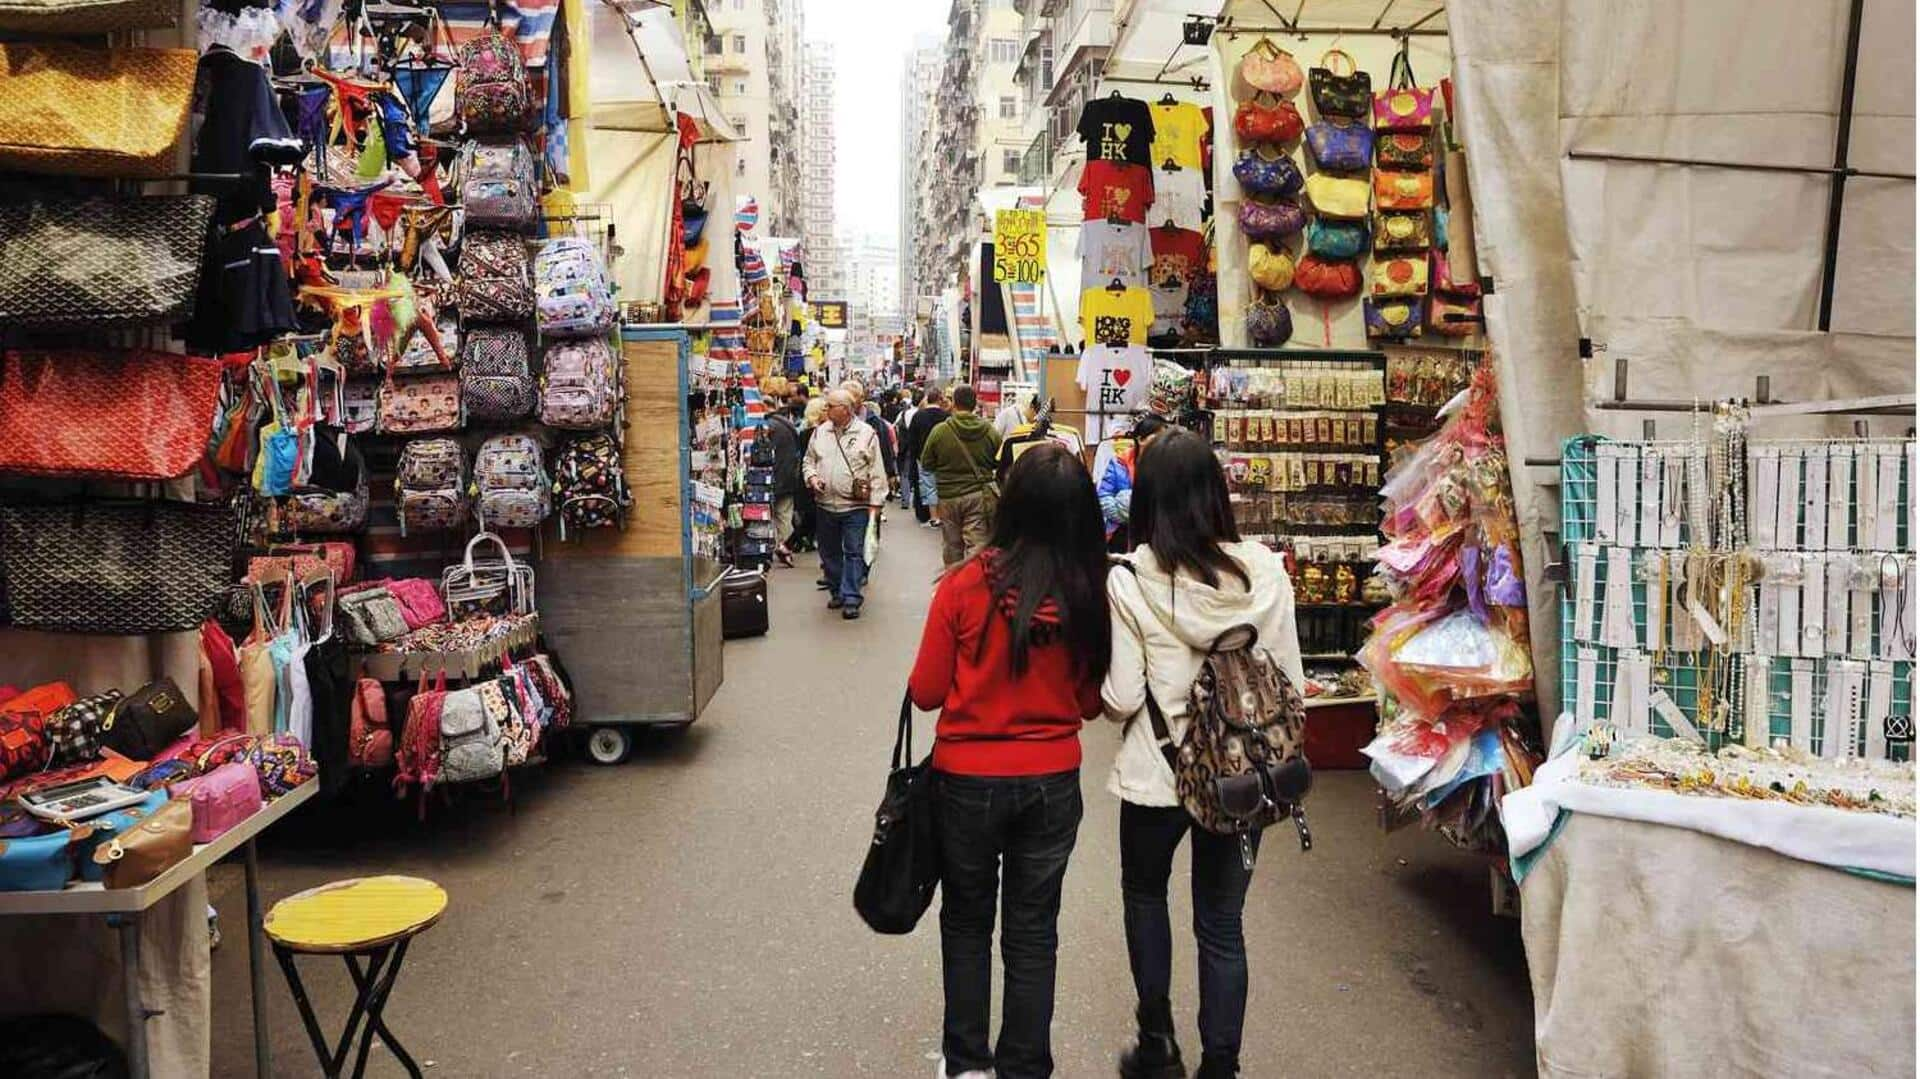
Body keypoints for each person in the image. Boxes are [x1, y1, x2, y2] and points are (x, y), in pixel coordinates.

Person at [1101, 428, 1305, 1079]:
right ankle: (1223, 1065)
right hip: (1241, 778)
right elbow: (1293, 686)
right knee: (1221, 924)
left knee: (1145, 894)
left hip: (1156, 776)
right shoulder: (1267, 570)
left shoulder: (1132, 579)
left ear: (1148, 499)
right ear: (1216, 491)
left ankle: (1157, 1043)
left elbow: (1123, 695)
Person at [908, 442, 1111, 1079]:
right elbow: (1088, 704)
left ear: (1010, 502)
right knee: (1033, 929)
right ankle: (1024, 1066)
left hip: (966, 780)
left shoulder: (965, 585)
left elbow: (926, 692)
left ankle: (967, 1063)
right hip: (1052, 781)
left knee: (966, 922)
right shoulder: (1086, 589)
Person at [801, 390, 887, 618]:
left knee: (853, 551)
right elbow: (808, 461)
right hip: (825, 503)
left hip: (855, 506)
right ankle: (837, 589)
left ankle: (851, 597)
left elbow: (877, 471)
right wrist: (812, 477)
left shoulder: (866, 433)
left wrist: (876, 505)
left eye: (831, 406)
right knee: (828, 552)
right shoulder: (820, 432)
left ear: (846, 409)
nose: (826, 410)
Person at [919, 385, 1001, 567]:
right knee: (977, 544)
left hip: (948, 496)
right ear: (975, 405)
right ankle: (975, 584)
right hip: (978, 495)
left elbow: (927, 463)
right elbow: (999, 460)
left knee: (952, 545)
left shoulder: (940, 431)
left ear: (954, 403)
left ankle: (953, 585)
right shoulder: (989, 430)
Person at [1096, 414, 1171, 552]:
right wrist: (1130, 511)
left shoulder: (1169, 464)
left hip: (1158, 532)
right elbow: (1103, 497)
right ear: (1140, 439)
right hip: (1122, 532)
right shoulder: (1119, 462)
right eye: (1156, 438)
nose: (1161, 443)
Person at [762, 383, 805, 567]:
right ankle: (786, 546)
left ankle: (776, 546)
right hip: (788, 477)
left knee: (770, 515)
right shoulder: (787, 424)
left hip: (774, 476)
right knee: (784, 515)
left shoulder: (768, 426)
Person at [844, 379, 899, 497]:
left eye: (852, 398)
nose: (849, 402)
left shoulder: (875, 422)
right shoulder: (835, 423)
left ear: (861, 398)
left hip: (868, 479)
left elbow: (885, 448)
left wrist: (890, 474)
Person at [905, 386, 950, 527]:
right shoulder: (946, 417)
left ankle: (933, 517)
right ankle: (942, 516)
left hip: (923, 457)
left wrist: (915, 456)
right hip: (943, 458)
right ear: (939, 399)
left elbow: (911, 439)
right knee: (942, 487)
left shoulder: (918, 416)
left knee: (928, 487)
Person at [791, 394, 823, 556]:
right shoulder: (820, 433)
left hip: (806, 475)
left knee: (810, 512)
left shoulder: (803, 432)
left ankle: (798, 540)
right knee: (814, 512)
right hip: (816, 476)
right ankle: (794, 541)